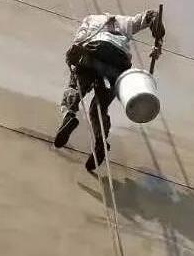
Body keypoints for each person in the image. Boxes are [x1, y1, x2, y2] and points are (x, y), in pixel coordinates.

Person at [53, 9, 163, 172]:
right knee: (99, 107)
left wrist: (73, 55)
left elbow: (81, 38)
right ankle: (100, 142)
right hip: (118, 63)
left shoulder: (90, 18)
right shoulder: (126, 22)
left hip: (93, 53)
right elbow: (150, 16)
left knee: (75, 87)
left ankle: (69, 116)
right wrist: (159, 37)